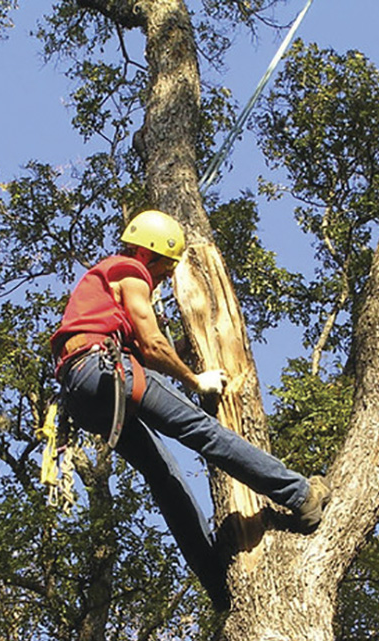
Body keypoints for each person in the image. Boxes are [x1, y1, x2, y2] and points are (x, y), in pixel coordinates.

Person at [51, 210, 330, 610]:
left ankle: (218, 585)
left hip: (84, 394)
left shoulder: (97, 296)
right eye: (166, 267)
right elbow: (151, 346)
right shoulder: (130, 270)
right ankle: (300, 494)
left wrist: (184, 350)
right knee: (205, 432)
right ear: (150, 254)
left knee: (163, 476)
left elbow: (150, 353)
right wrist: (196, 380)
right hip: (106, 370)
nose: (164, 277)